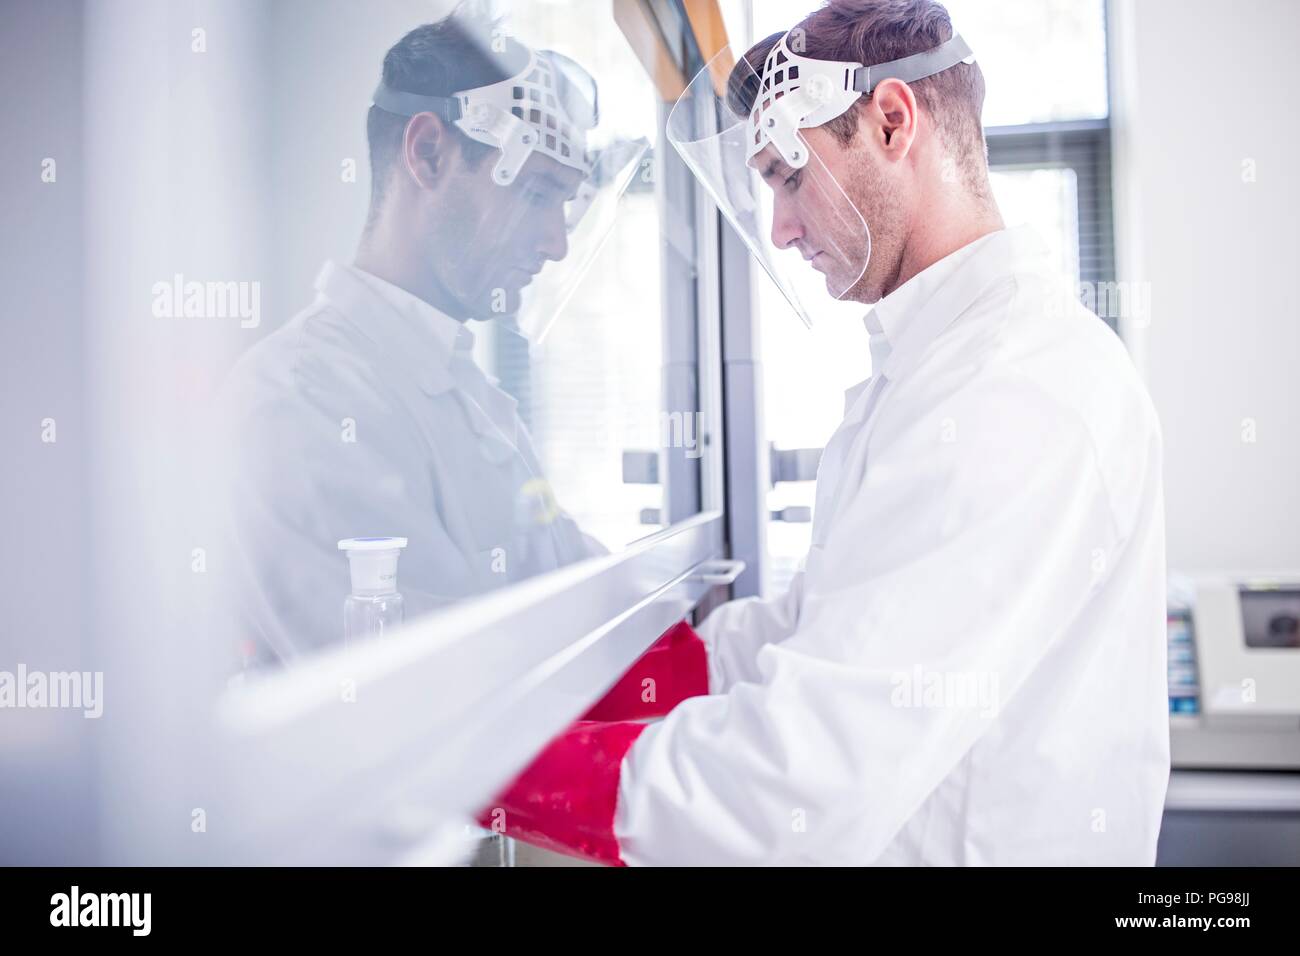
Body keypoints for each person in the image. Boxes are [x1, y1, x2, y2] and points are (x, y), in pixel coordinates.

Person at [478, 0, 1170, 865]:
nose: (781, 227)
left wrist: (482, 769)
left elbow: (797, 784)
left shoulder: (1015, 392)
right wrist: (604, 673)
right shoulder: (927, 375)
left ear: (891, 122)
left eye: (790, 174)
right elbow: (814, 635)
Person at [219, 12, 634, 662]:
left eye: (567, 205)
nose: (557, 243)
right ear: (429, 153)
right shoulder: (296, 401)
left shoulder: (469, 393)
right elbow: (427, 694)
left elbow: (578, 588)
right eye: (535, 192)